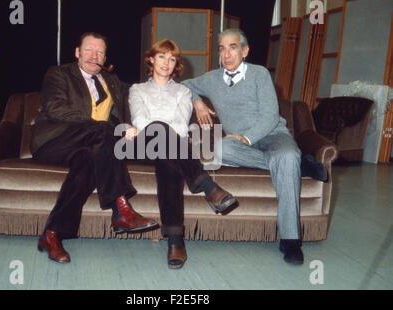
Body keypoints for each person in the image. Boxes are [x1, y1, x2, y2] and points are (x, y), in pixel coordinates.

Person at [182, 28, 328, 265]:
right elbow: (182, 85)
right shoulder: (212, 78)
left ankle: (291, 240)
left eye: (233, 47)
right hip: (239, 146)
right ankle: (299, 165)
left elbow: (271, 116)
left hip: (273, 135)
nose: (226, 54)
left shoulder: (260, 74)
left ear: (245, 51)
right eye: (222, 48)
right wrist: (196, 101)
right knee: (220, 149)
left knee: (286, 154)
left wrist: (247, 138)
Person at [30, 32, 159, 263]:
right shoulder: (59, 74)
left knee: (88, 164)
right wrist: (103, 127)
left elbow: (146, 89)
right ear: (77, 52)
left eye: (100, 52)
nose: (94, 56)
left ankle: (51, 234)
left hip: (91, 145)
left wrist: (193, 95)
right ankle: (121, 209)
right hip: (55, 141)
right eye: (89, 50)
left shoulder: (111, 81)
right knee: (104, 131)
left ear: (105, 57)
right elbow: (55, 108)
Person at [125, 39, 238, 269]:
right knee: (160, 130)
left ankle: (175, 240)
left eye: (172, 58)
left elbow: (179, 125)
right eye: (161, 56)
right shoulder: (137, 89)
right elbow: (140, 120)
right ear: (151, 59)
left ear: (176, 64)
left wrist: (162, 128)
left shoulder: (183, 91)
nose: (166, 62)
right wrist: (158, 127)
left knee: (169, 162)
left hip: (171, 147)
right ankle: (208, 187)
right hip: (141, 145)